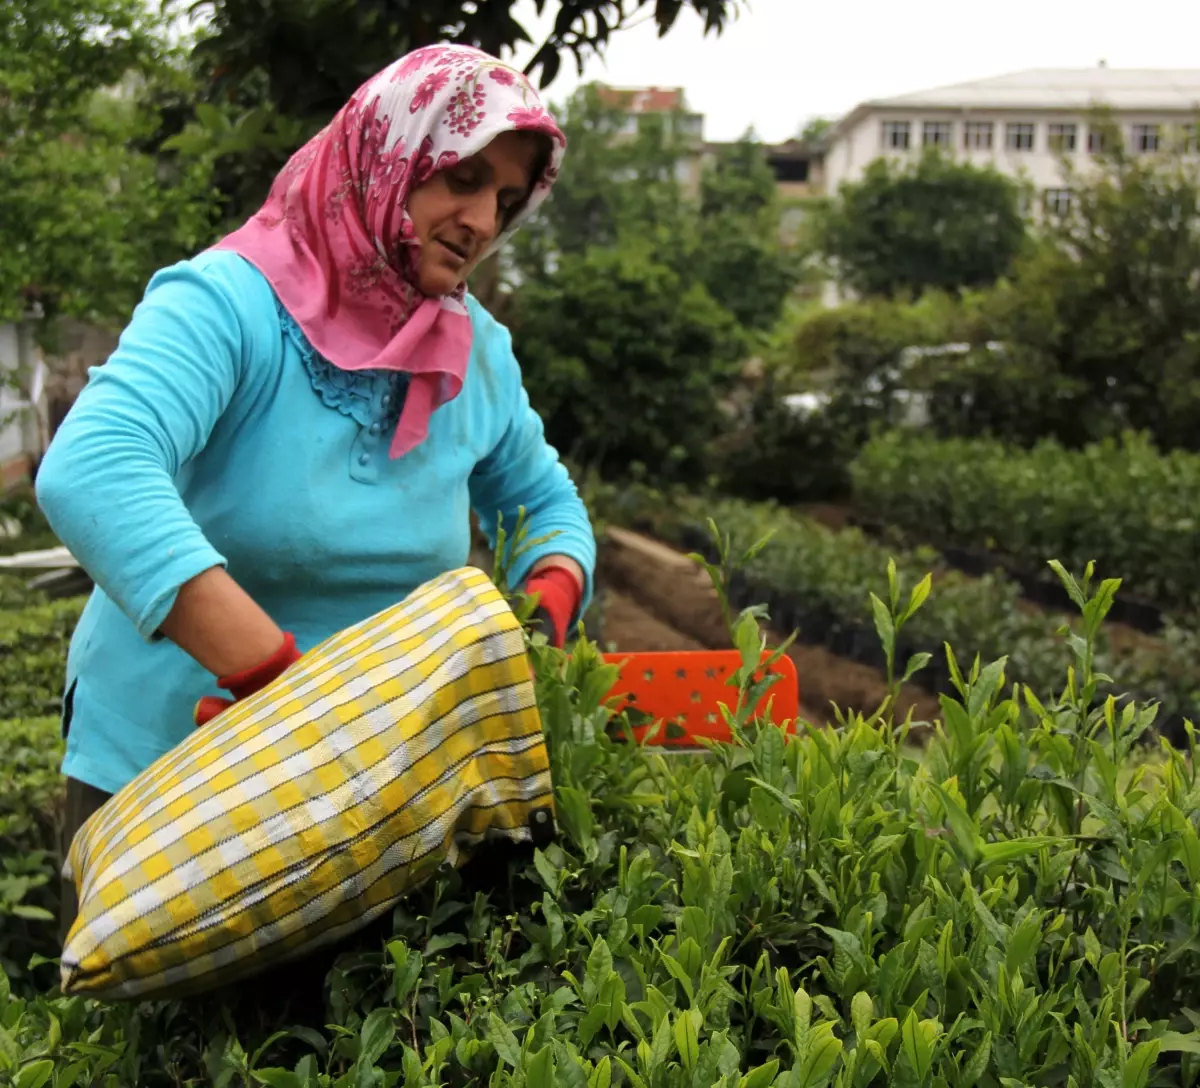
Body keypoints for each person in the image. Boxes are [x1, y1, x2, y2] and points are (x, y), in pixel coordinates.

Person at [35, 43, 596, 943]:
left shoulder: (475, 352)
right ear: (389, 156)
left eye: (507, 197)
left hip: (369, 790)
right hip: (168, 766)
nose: (483, 218)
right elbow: (94, 466)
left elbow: (547, 510)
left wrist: (534, 624)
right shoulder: (229, 303)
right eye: (462, 175)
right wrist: (277, 685)